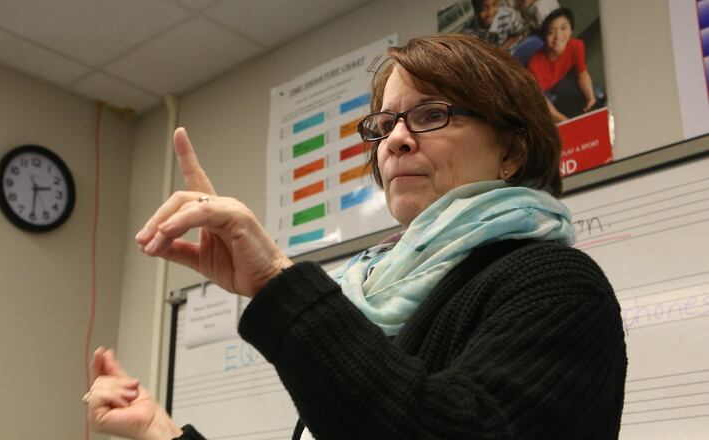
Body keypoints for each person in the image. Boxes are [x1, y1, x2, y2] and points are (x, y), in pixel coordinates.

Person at [84, 34, 627, 439]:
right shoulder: (369, 292)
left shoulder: (556, 283)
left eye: (430, 114)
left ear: (511, 151)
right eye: (384, 124)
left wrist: (279, 280)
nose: (395, 141)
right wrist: (159, 430)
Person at [527, 8, 597, 122]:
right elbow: (540, 99)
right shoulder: (534, 66)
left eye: (564, 28)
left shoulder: (577, 45)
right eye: (551, 32)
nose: (558, 36)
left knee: (593, 95)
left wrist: (591, 98)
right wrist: (563, 119)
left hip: (560, 80)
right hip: (540, 93)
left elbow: (582, 73)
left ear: (571, 30)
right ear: (544, 38)